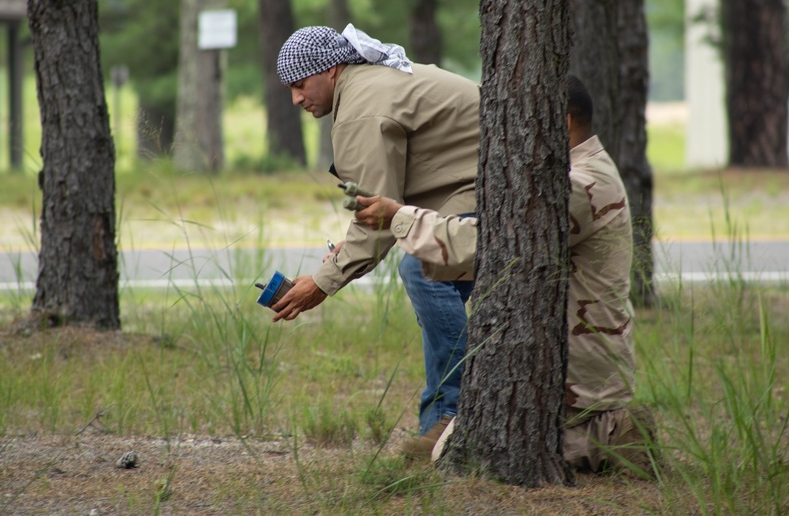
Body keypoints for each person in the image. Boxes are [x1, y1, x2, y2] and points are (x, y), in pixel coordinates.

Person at [353, 75, 655, 474]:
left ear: (560, 123)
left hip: (578, 382)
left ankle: (611, 436)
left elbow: (496, 245)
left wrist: (400, 217)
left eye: (524, 120)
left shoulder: (580, 185)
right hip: (565, 371)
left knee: (460, 450)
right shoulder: (575, 174)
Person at [270, 24, 481, 458]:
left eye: (300, 84)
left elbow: (378, 220)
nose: (295, 99)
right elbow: (386, 211)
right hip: (483, 188)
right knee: (425, 266)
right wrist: (345, 257)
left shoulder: (361, 108)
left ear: (330, 71)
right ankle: (447, 422)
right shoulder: (368, 86)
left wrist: (323, 282)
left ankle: (456, 415)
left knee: (424, 268)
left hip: (501, 192)